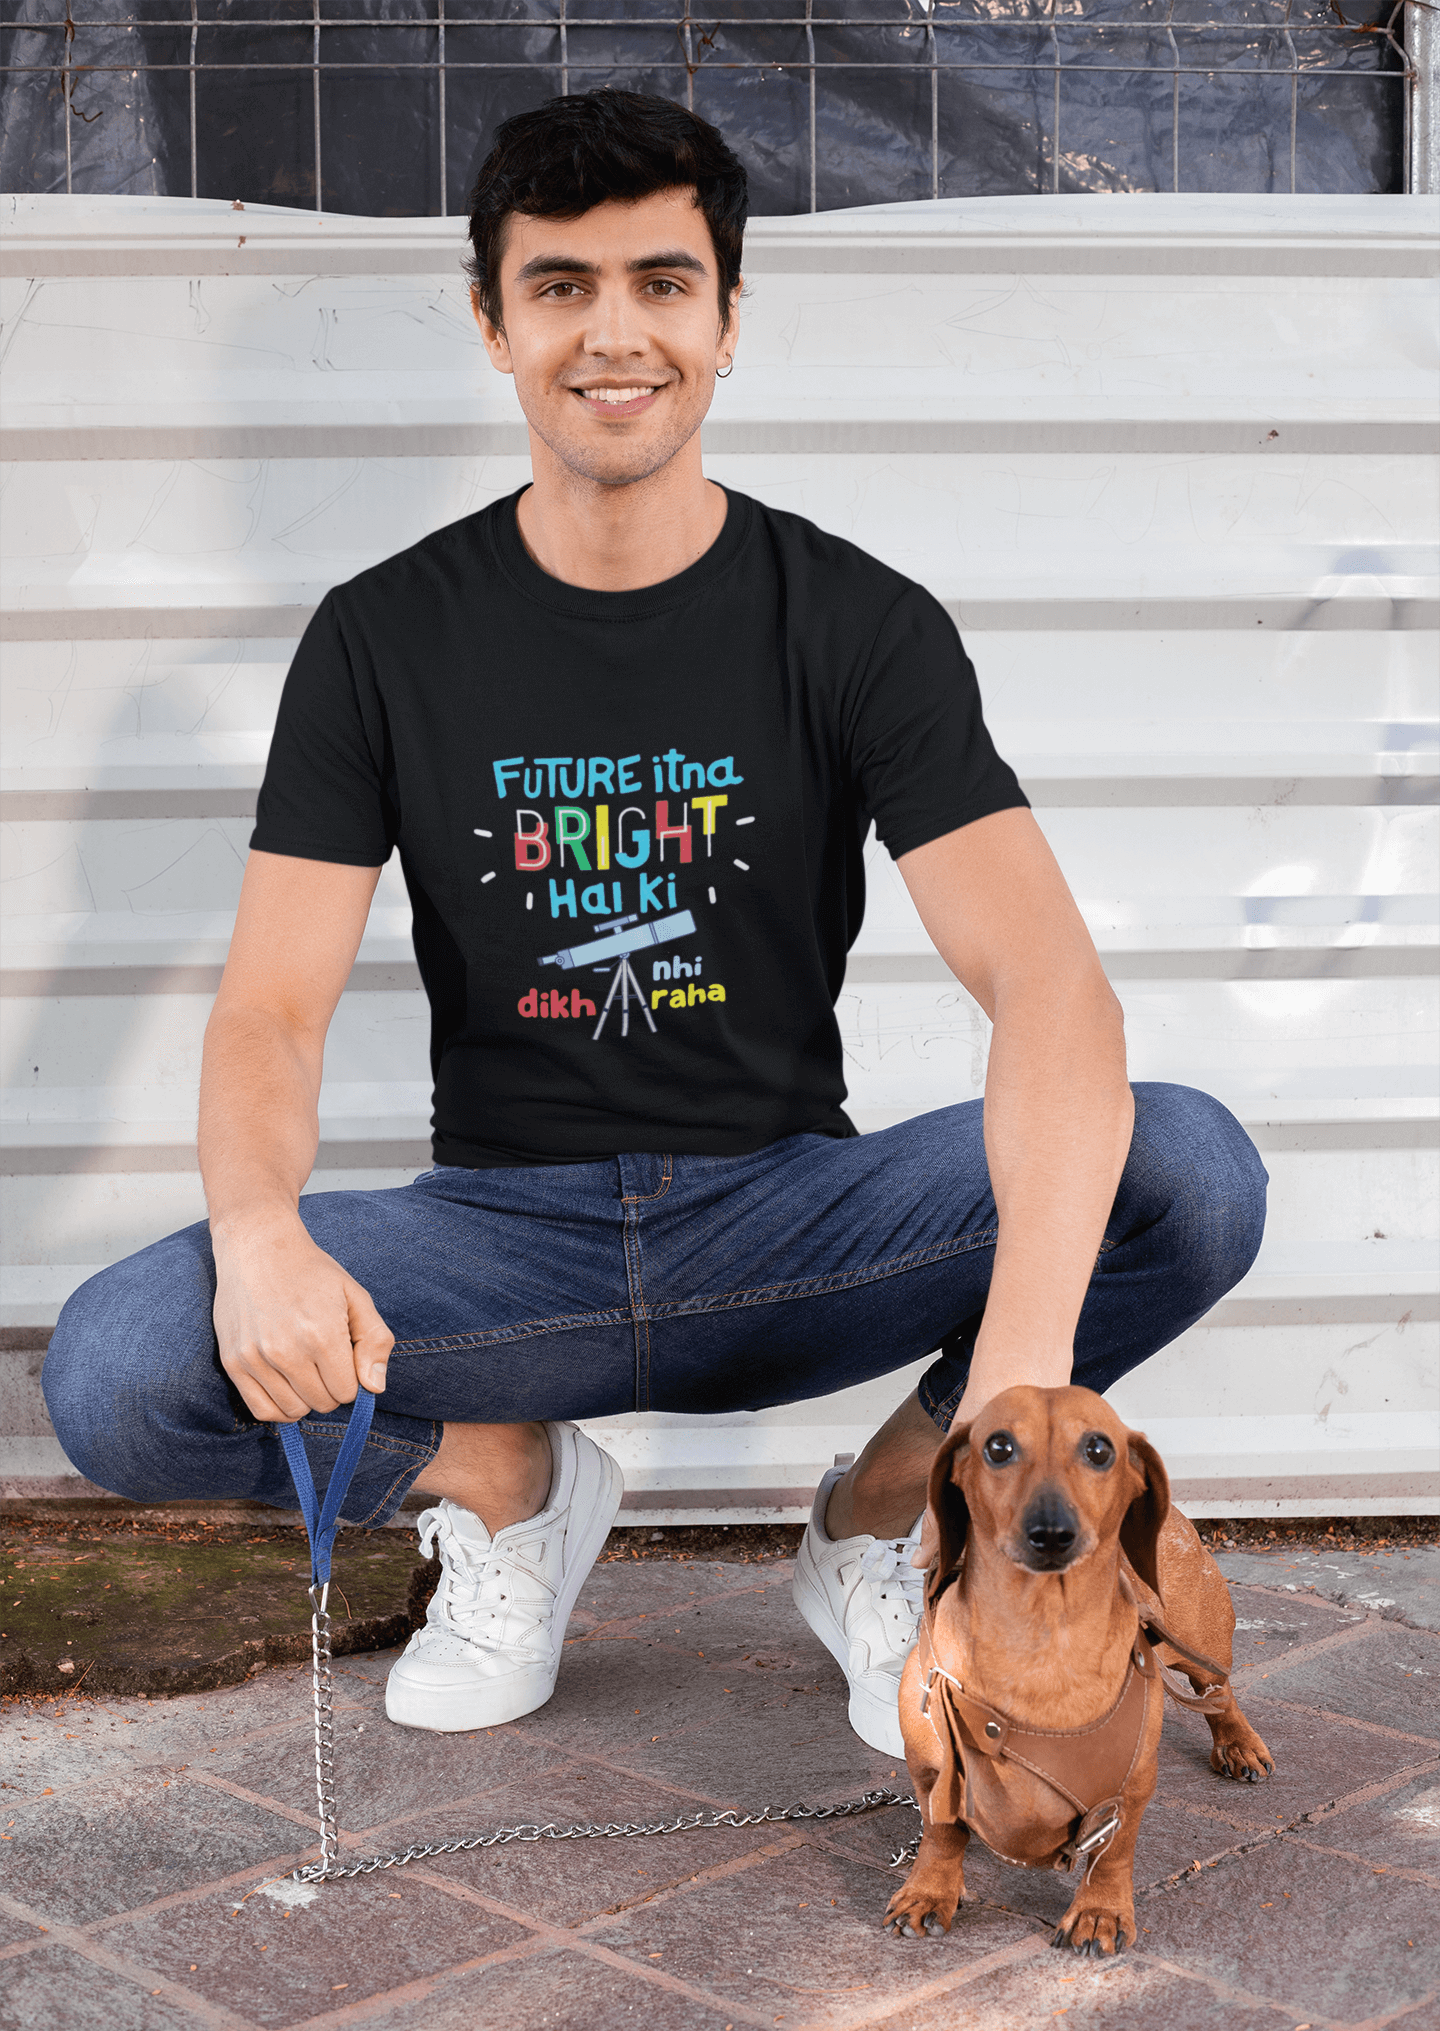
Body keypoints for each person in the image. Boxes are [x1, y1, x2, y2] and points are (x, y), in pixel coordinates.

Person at [42, 90, 1266, 1756]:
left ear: (729, 319)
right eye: (561, 287)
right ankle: (507, 1483)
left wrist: (1016, 1390)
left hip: (792, 1221)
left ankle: (881, 1520)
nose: (615, 335)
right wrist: (259, 1230)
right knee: (118, 1369)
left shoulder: (857, 622)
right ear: (493, 323)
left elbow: (1048, 984)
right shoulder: (383, 638)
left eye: (661, 284)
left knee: (1186, 1171)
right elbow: (271, 1010)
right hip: (502, 1249)